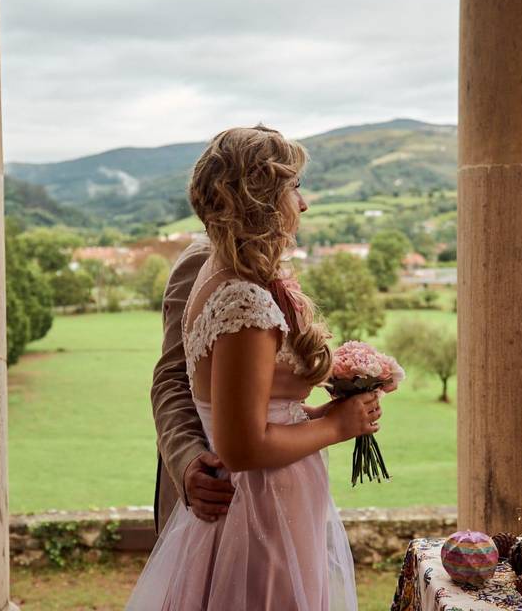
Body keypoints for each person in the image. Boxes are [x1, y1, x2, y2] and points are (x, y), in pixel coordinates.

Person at [129, 125, 380, 610]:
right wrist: (336, 425)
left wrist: (313, 408)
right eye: (295, 187)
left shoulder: (254, 270)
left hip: (281, 492)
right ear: (259, 197)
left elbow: (258, 398)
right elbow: (176, 378)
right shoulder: (228, 282)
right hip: (245, 499)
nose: (304, 204)